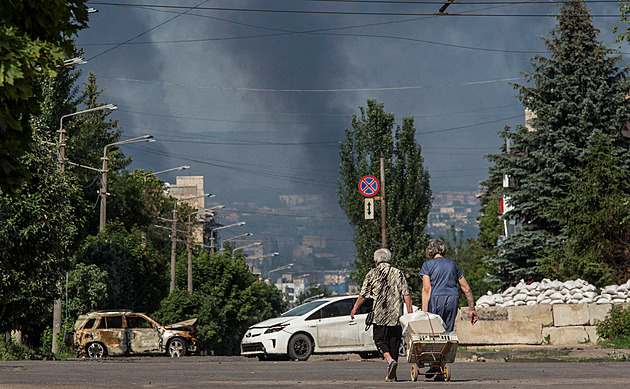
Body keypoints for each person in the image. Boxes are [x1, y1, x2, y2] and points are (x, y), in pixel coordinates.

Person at [351, 248, 413, 382]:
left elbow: (363, 295)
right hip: (396, 317)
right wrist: (410, 314)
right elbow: (406, 295)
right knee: (394, 343)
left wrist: (355, 308)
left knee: (379, 340)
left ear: (376, 261)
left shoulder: (372, 274)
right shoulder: (399, 273)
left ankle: (390, 361)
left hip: (380, 316)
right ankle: (393, 373)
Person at [420, 238, 478, 333]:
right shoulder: (453, 264)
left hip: (436, 298)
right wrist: (472, 309)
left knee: (434, 331)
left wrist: (424, 313)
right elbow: (467, 289)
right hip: (452, 298)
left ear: (430, 250)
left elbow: (426, 289)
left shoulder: (427, 265)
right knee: (447, 331)